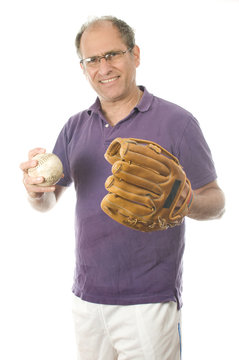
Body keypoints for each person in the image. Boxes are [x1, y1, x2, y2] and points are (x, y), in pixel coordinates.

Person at [20, 16, 225, 360]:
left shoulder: (178, 122)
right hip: (86, 299)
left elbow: (217, 203)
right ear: (83, 68)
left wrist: (185, 201)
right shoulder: (74, 127)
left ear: (135, 55)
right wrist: (34, 191)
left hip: (149, 302)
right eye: (92, 60)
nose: (104, 68)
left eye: (113, 54)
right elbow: (47, 202)